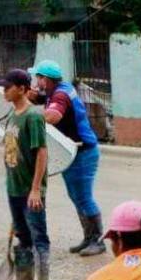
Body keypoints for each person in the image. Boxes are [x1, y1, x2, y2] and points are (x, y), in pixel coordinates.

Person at [31, 59, 105, 257]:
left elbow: (54, 115)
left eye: (38, 78)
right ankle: (88, 238)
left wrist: (30, 118)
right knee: (76, 196)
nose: (36, 82)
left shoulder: (61, 94)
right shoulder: (59, 89)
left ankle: (97, 241)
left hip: (83, 153)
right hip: (75, 152)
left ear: (46, 79)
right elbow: (41, 98)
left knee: (83, 197)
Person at [0, 68, 51, 280]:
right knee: (22, 235)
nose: (4, 91)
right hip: (14, 188)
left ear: (21, 89)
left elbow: (41, 151)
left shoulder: (33, 116)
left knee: (39, 236)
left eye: (7, 87)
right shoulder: (12, 115)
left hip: (30, 191)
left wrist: (36, 188)